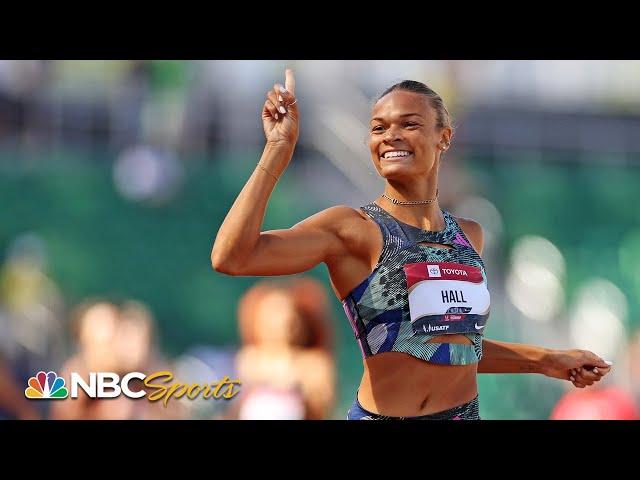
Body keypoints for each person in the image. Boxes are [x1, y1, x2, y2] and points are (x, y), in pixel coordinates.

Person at [211, 69, 612, 420]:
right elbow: (232, 256)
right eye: (379, 127)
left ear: (444, 137)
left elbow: (456, 348)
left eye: (409, 124)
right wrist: (277, 152)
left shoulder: (469, 235)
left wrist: (547, 360)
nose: (391, 136)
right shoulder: (352, 229)